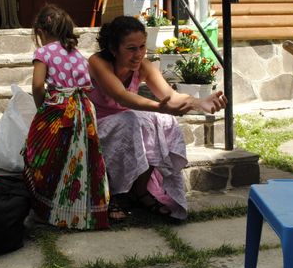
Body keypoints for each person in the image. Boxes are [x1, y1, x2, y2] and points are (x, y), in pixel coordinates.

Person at [88, 16, 227, 220]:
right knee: (134, 119)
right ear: (113, 49)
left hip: (127, 123)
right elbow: (122, 96)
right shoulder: (97, 62)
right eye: (131, 48)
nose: (138, 54)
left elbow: (171, 95)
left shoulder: (144, 66)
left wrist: (199, 103)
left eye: (142, 46)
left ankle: (141, 191)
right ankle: (114, 194)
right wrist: (159, 108)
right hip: (95, 126)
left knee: (161, 121)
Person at [22, 4, 111, 230]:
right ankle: (79, 214)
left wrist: (41, 109)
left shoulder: (43, 53)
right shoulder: (77, 54)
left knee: (45, 156)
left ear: (40, 31)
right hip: (83, 110)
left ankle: (46, 210)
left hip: (58, 109)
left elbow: (37, 85)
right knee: (79, 159)